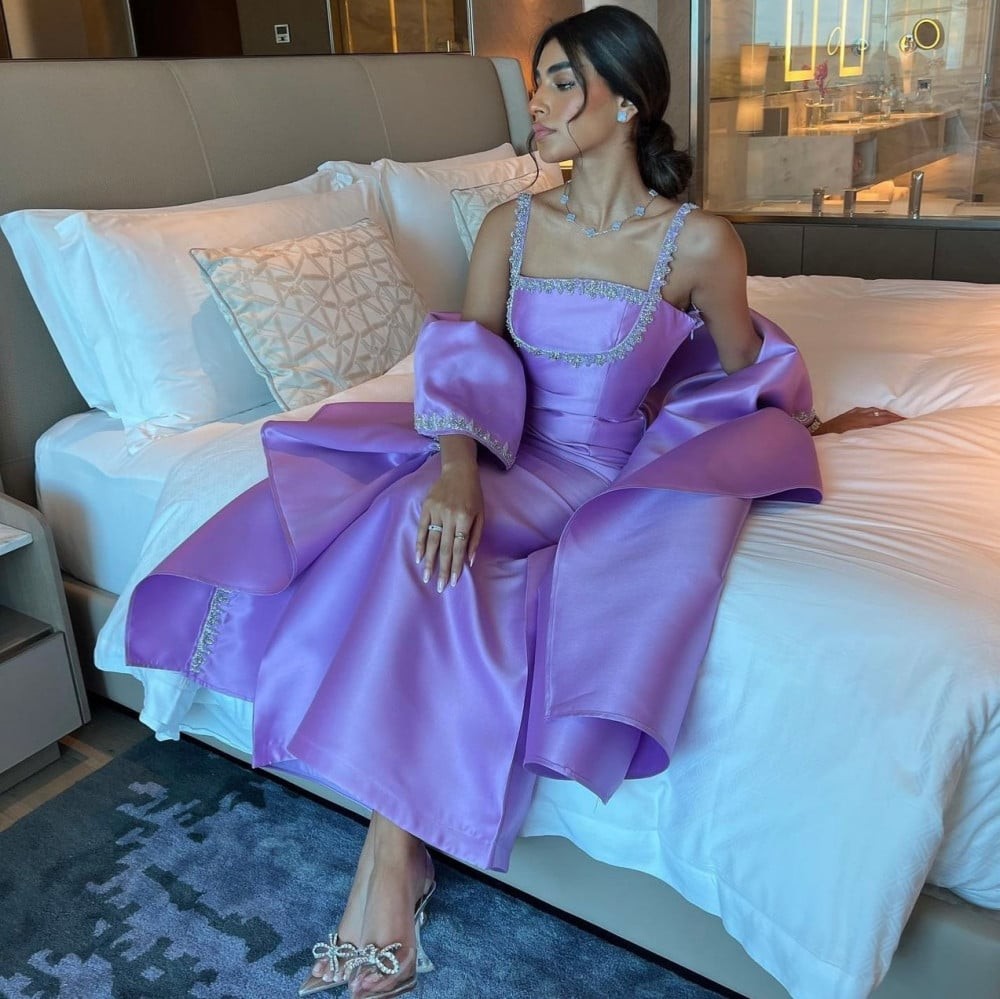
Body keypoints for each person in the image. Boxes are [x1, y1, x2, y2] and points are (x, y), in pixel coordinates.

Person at [124, 8, 893, 998]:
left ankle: (389, 865)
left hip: (602, 474)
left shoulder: (700, 243)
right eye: (537, 81)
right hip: (499, 450)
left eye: (561, 81)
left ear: (627, 101)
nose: (537, 100)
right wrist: (454, 469)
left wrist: (808, 425)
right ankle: (393, 853)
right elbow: (463, 360)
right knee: (409, 521)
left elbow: (740, 368)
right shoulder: (510, 225)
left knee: (443, 561)